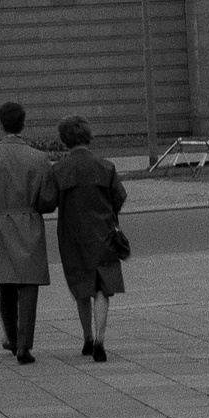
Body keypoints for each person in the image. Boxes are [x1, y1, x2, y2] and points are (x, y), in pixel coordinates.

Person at [0, 101, 57, 365]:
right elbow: (47, 202)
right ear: (23, 124)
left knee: (5, 287)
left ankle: (11, 337)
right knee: (28, 288)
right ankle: (24, 346)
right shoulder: (39, 158)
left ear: (0, 123)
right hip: (29, 223)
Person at [48, 115, 126, 362]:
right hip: (102, 233)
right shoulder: (105, 166)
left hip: (72, 235)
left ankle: (87, 338)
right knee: (102, 288)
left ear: (64, 140)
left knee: (81, 286)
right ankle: (101, 339)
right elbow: (119, 198)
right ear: (88, 136)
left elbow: (47, 202)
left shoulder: (59, 169)